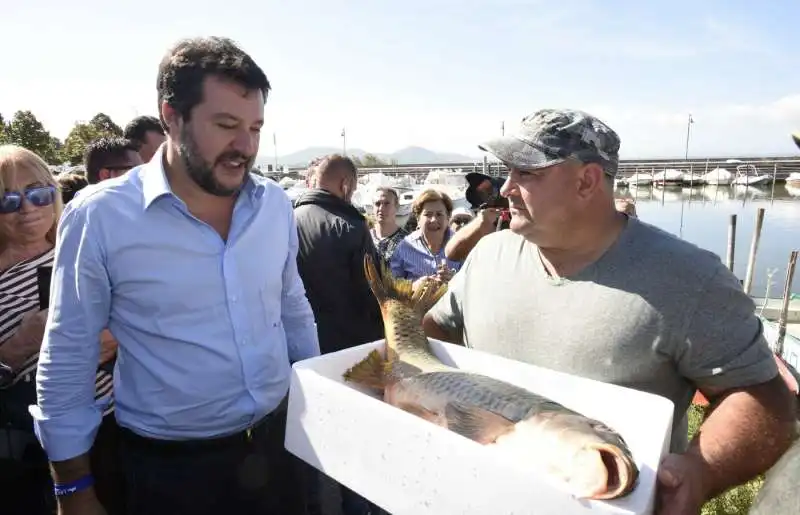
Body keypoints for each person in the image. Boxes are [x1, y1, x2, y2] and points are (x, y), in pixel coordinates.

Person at [422, 108, 796, 515]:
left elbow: (765, 400)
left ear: (586, 181)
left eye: (527, 173)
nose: (506, 188)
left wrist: (700, 471)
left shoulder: (690, 278)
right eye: (507, 172)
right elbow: (437, 331)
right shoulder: (488, 255)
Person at [30, 36, 319, 515]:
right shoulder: (101, 217)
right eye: (225, 125)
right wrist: (72, 490)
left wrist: (319, 404)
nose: (244, 147)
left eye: (255, 127)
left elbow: (291, 305)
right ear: (171, 115)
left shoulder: (274, 205)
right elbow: (67, 353)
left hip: (278, 450)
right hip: (170, 475)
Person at [293, 154, 385, 515]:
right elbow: (374, 297)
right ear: (346, 185)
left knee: (309, 447)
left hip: (299, 358)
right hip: (350, 355)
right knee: (356, 449)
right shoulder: (351, 226)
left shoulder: (284, 221)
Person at [0, 144, 63, 515]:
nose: (27, 208)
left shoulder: (82, 251)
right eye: (9, 200)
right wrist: (20, 345)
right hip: (25, 450)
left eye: (38, 194)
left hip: (111, 427)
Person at [389, 189, 462, 288]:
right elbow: (392, 288)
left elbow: (474, 283)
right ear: (418, 219)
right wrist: (414, 287)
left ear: (448, 217)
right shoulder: (405, 247)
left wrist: (455, 280)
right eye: (428, 214)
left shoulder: (461, 244)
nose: (434, 220)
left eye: (439, 214)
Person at [369, 186, 409, 264]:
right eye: (377, 204)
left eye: (386, 203)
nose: (381, 208)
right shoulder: (364, 237)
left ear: (396, 206)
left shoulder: (407, 242)